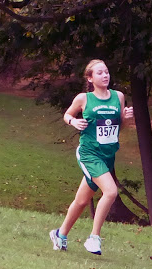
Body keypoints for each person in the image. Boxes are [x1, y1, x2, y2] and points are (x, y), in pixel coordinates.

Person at [49, 59, 134, 255]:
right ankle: (94, 238)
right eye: (100, 73)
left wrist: (127, 118)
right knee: (111, 192)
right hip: (89, 153)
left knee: (81, 201)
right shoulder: (84, 98)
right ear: (90, 78)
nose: (105, 75)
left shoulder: (118, 96)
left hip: (108, 155)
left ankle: (60, 235)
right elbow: (67, 115)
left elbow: (119, 126)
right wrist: (73, 122)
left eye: (107, 72)